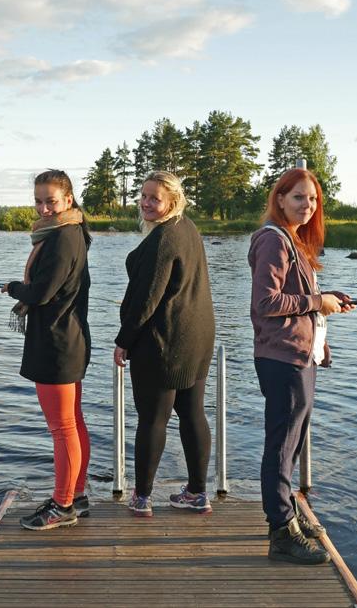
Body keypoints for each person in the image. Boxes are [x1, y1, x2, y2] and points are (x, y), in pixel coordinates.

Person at [248, 168, 355, 564]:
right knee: (280, 444)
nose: (307, 206)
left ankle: (288, 514)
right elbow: (265, 303)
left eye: (312, 200)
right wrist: (316, 301)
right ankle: (281, 531)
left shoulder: (294, 241)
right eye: (298, 198)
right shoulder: (273, 241)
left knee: (291, 443)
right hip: (282, 359)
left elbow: (299, 297)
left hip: (299, 356)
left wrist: (326, 299)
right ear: (279, 199)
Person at [113, 171, 215, 518]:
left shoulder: (162, 240)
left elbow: (146, 300)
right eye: (142, 196)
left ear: (172, 201)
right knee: (191, 413)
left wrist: (123, 340)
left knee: (153, 420)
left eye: (154, 198)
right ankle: (198, 492)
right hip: (197, 337)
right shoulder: (187, 227)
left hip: (164, 342)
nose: (145, 203)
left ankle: (142, 498)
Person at [3, 169, 92, 531]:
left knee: (63, 427)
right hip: (68, 339)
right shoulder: (72, 232)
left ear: (68, 200)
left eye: (51, 201)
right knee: (73, 423)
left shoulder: (62, 239)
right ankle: (76, 496)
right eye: (38, 201)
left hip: (57, 343)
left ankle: (63, 504)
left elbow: (42, 292)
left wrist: (12, 287)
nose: (44, 208)